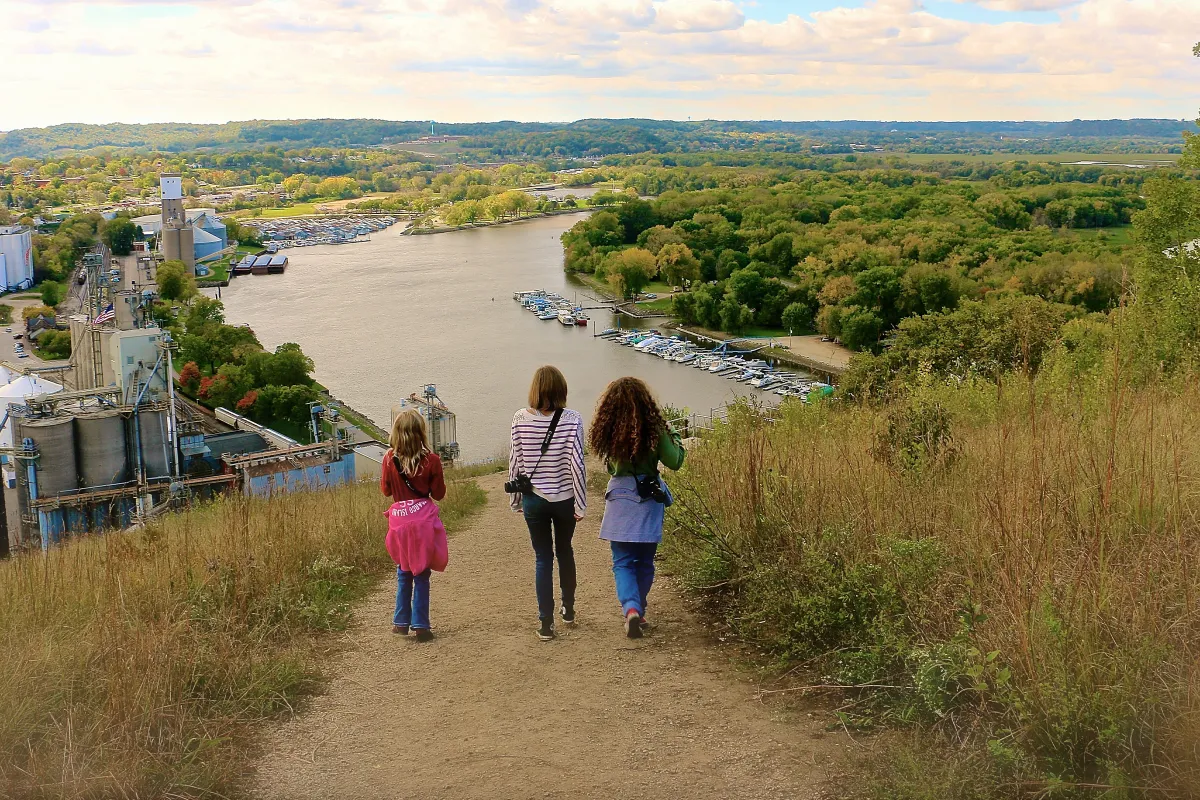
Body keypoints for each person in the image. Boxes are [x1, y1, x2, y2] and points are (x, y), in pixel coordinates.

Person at [589, 377, 685, 639]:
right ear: (646, 401)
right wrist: (673, 433)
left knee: (622, 562)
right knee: (644, 562)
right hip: (647, 497)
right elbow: (675, 461)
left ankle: (630, 609)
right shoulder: (654, 428)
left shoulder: (608, 428)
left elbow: (610, 466)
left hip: (619, 497)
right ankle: (639, 610)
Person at [509, 365, 587, 641]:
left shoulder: (520, 418)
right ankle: (568, 608)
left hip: (534, 501)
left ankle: (545, 623)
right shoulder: (573, 419)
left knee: (543, 558)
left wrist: (516, 499)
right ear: (561, 389)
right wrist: (580, 503)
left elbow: (515, 462)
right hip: (565, 499)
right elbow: (577, 464)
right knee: (564, 550)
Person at [381, 409, 448, 643]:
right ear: (421, 432)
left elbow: (386, 490)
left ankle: (400, 623)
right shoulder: (432, 460)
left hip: (399, 521)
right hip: (422, 522)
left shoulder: (389, 458)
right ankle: (420, 625)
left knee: (404, 569)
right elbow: (438, 494)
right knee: (421, 571)